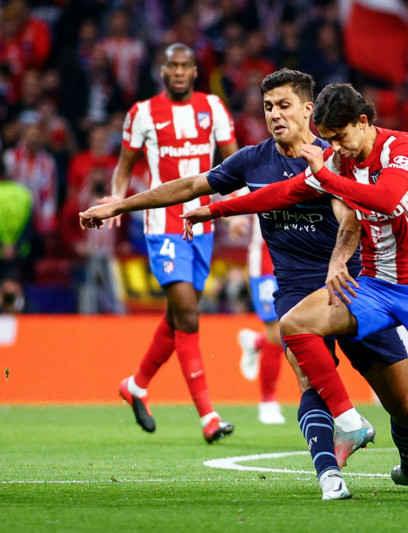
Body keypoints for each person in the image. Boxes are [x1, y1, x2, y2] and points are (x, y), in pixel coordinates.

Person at [82, 69, 408, 500]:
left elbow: (350, 218)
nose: (275, 115)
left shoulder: (334, 155)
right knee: (309, 378)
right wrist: (122, 204)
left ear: (308, 108)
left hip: (354, 287)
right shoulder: (254, 160)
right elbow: (191, 185)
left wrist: (339, 260)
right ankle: (331, 475)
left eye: (284, 105)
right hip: (296, 289)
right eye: (268, 107)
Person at [180, 82, 408, 498]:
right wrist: (213, 208)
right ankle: (350, 422)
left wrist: (324, 175)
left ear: (363, 122)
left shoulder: (399, 148)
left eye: (340, 137)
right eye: (329, 140)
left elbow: (386, 199)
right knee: (295, 323)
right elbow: (280, 193)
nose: (336, 147)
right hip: (372, 283)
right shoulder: (335, 161)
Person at [89, 43, 239, 443]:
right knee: (188, 313)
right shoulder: (142, 112)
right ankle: (208, 416)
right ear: (162, 70)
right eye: (171, 65)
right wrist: (117, 203)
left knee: (177, 316)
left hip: (202, 226)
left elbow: (233, 163)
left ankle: (136, 385)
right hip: (162, 224)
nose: (177, 71)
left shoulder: (215, 108)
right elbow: (124, 168)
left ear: (195, 71)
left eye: (184, 65)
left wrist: (236, 208)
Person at [232, 215, 287, 425]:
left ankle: (256, 342)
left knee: (296, 327)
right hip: (266, 262)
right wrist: (233, 218)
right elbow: (233, 192)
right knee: (276, 330)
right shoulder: (257, 181)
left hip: (300, 257)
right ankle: (268, 403)